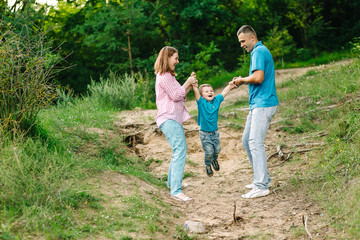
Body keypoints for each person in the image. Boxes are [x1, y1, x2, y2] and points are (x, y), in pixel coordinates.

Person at [231, 25, 279, 199]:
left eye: (243, 41)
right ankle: (263, 177)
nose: (241, 45)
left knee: (255, 141)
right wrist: (242, 80)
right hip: (257, 104)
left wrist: (242, 80)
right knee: (246, 141)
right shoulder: (257, 52)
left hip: (264, 104)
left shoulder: (258, 51)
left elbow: (258, 78)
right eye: (240, 42)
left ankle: (261, 186)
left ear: (252, 38)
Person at [154, 46, 197, 202]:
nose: (178, 62)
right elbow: (177, 94)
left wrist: (190, 86)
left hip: (172, 118)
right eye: (176, 58)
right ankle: (176, 191)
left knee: (178, 150)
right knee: (180, 150)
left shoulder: (168, 76)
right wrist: (187, 82)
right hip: (168, 118)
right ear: (168, 58)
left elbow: (180, 96)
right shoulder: (164, 76)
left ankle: (172, 183)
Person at [193, 82, 236, 176]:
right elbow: (196, 93)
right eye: (206, 91)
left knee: (217, 150)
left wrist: (230, 85)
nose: (210, 92)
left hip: (215, 133)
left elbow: (224, 92)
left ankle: (214, 160)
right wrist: (194, 86)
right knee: (209, 152)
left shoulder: (217, 100)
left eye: (211, 91)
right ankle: (208, 165)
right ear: (202, 95)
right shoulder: (201, 102)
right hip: (204, 134)